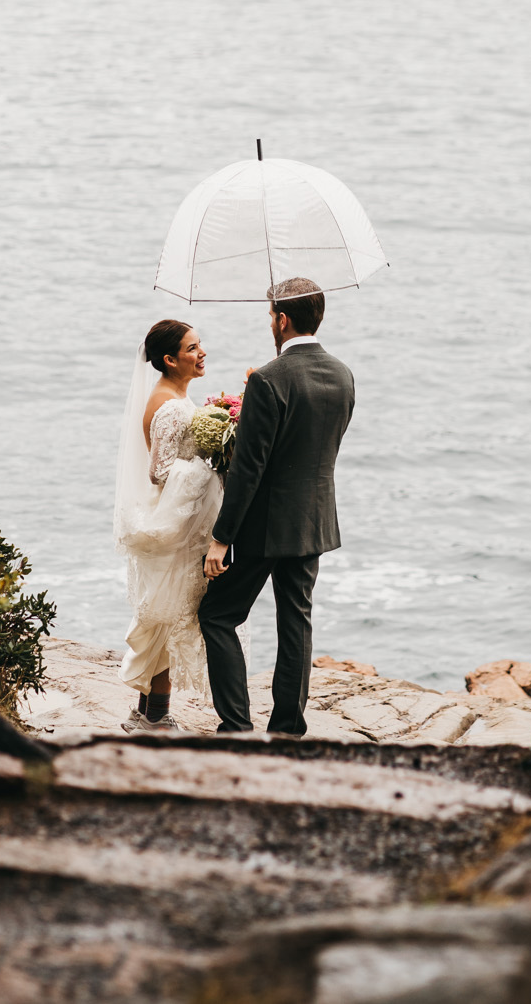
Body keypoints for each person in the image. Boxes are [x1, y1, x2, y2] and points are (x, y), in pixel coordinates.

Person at [198, 277, 355, 735]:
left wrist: (221, 539)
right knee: (296, 623)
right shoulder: (343, 374)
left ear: (282, 320)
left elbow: (248, 472)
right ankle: (287, 727)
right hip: (314, 521)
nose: (270, 322)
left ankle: (236, 725)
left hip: (265, 527)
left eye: (271, 315)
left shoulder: (270, 379)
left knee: (219, 615)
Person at [111, 318, 223, 731]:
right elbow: (160, 471)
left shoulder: (173, 397)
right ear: (169, 359)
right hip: (175, 526)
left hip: (175, 520)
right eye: (193, 348)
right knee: (169, 614)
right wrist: (214, 465)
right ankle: (156, 717)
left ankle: (147, 711)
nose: (202, 352)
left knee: (165, 613)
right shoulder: (170, 406)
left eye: (200, 344)